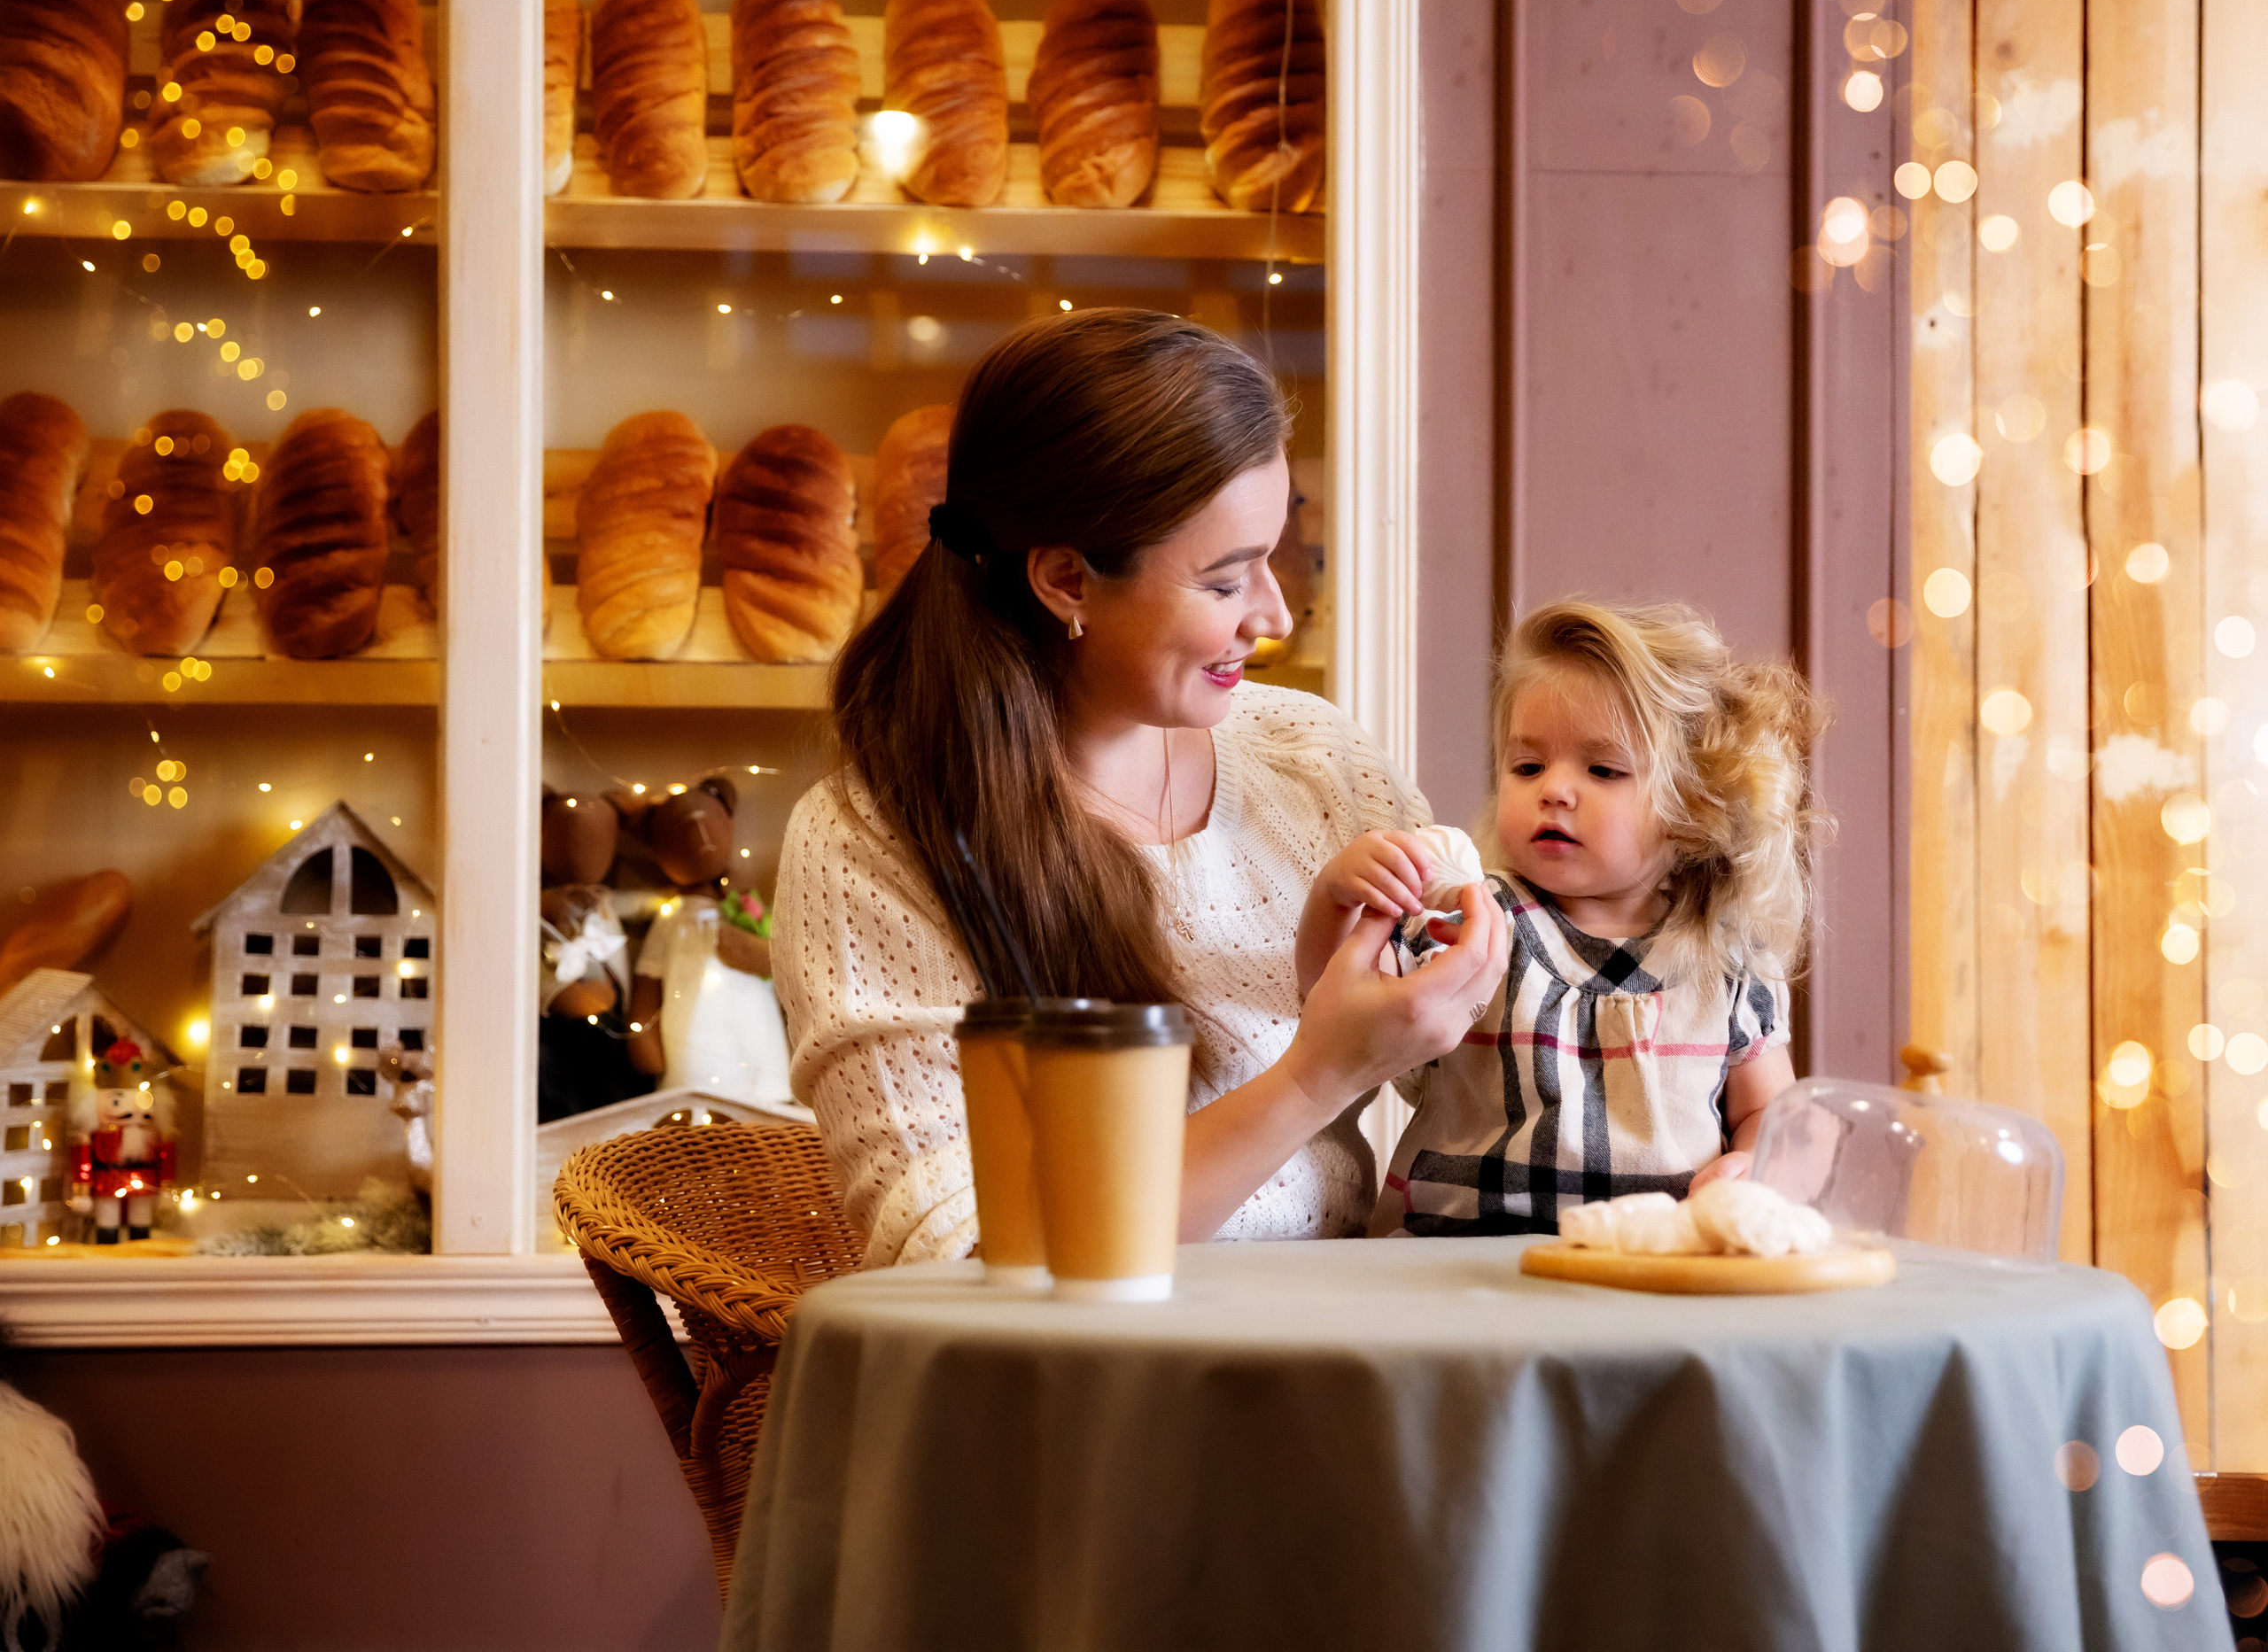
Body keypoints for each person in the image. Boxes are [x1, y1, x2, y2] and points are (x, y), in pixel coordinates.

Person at [772, 308, 1507, 1267]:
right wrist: (1318, 1071)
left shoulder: (1313, 760)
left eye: (1274, 561)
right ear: (1068, 579)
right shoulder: (870, 841)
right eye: (1226, 581)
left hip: (1334, 1363)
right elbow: (965, 1252)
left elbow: (1502, 1092)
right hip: (1073, 1401)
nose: (1274, 616)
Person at [1293, 599, 1828, 1237]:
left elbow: (1767, 1109)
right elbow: (1335, 1000)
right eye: (1527, 766)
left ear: (1694, 810)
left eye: (1602, 769)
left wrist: (1752, 1167)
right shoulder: (1472, 917)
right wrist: (1335, 899)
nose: (1554, 789)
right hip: (1450, 1263)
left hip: (1651, 1263)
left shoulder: (1727, 959)